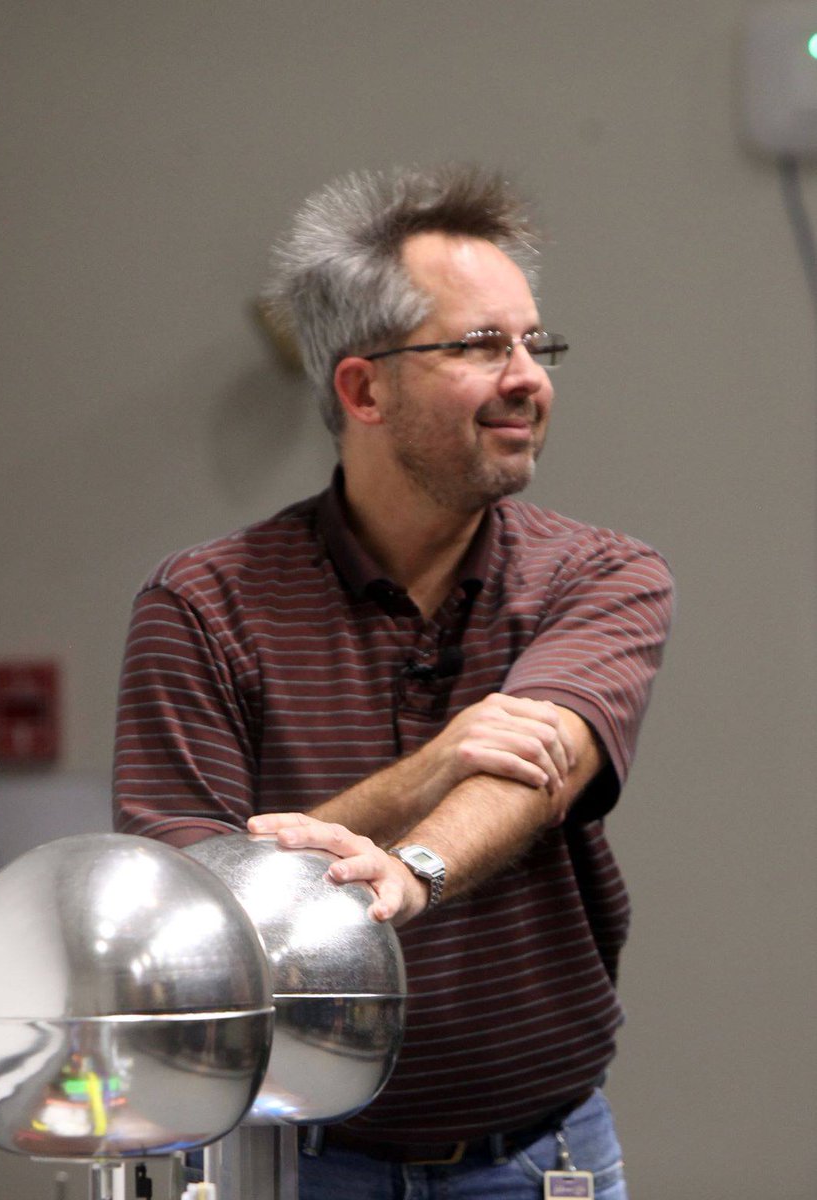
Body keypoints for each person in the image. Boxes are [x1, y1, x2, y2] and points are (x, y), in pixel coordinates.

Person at [114, 163, 674, 1199]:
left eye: (535, 344)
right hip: (284, 1165)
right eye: (481, 345)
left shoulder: (601, 575)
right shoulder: (201, 606)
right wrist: (428, 769)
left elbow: (536, 760)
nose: (528, 377)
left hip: (537, 1161)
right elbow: (184, 924)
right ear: (363, 389)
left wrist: (410, 867)